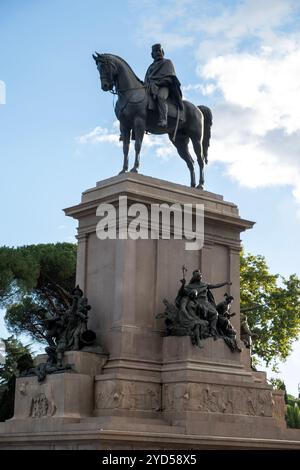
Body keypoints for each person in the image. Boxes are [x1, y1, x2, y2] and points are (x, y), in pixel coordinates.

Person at [177, 269, 232, 338]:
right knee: (211, 313)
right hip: (197, 302)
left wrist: (225, 283)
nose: (200, 276)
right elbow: (182, 292)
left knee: (215, 314)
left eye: (200, 275)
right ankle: (209, 330)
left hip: (205, 302)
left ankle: (212, 331)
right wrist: (183, 285)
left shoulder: (205, 285)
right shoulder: (189, 286)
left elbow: (216, 285)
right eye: (198, 275)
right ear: (194, 277)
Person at [144, 43, 183, 128]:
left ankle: (163, 119)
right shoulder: (150, 67)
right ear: (152, 55)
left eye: (159, 51)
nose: (158, 52)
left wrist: (158, 83)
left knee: (160, 97)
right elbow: (146, 80)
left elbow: (170, 78)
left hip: (164, 87)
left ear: (163, 52)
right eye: (156, 51)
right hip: (150, 88)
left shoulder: (167, 62)